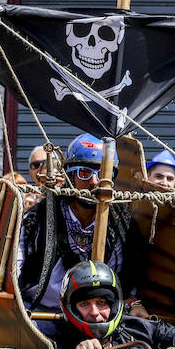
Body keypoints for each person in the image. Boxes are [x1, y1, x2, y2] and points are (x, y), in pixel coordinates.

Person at [17, 134, 147, 315]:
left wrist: (132, 304)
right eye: (84, 173)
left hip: (99, 320)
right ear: (70, 176)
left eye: (103, 174)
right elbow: (15, 269)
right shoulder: (38, 219)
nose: (94, 182)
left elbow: (128, 284)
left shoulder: (122, 226)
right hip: (41, 316)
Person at [51, 261, 175, 349]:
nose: (95, 313)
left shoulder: (137, 327)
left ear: (114, 305)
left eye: (101, 303)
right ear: (71, 307)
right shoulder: (56, 344)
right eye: (85, 304)